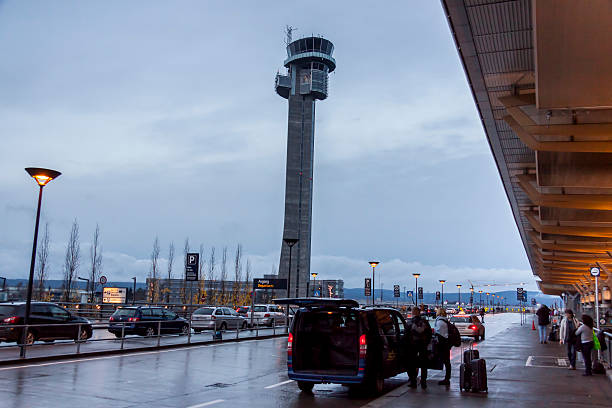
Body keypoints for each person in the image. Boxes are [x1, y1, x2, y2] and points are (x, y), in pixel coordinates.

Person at [408, 307, 432, 389]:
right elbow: (429, 334)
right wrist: (426, 343)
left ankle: (413, 381)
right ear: (419, 313)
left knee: (411, 363)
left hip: (412, 346)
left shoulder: (410, 322)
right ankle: (423, 382)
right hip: (423, 345)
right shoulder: (425, 322)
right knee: (423, 364)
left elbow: (406, 335)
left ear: (413, 313)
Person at [434, 308, 451, 386]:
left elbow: (437, 333)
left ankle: (446, 379)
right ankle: (447, 378)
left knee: (444, 361)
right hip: (447, 343)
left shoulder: (439, 322)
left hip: (442, 343)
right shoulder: (445, 321)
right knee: (447, 362)